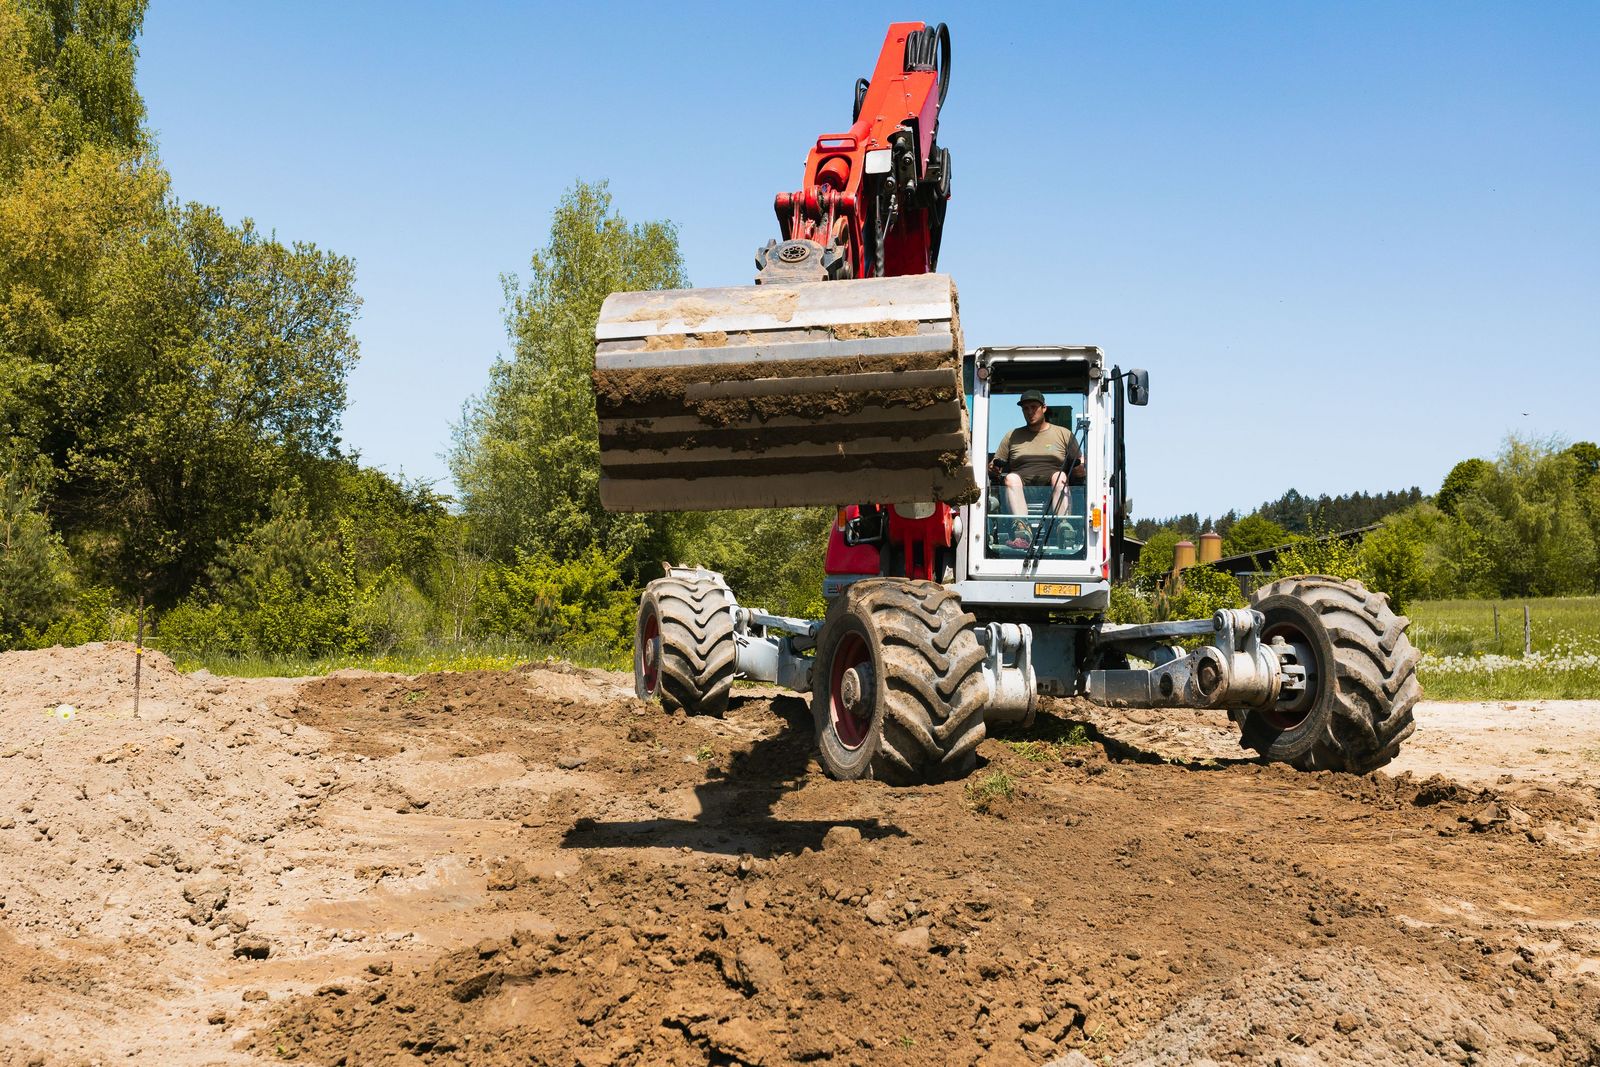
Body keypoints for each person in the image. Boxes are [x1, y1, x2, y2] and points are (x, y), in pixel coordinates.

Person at [987, 389, 1084, 549]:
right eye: (1025, 408)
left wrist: (1080, 468)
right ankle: (1022, 529)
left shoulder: (1063, 434)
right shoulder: (1012, 436)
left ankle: (1064, 526)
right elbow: (993, 465)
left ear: (1044, 408)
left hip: (1053, 488)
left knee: (1059, 476)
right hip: (1022, 489)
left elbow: (1080, 463)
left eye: (1034, 407)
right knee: (1011, 478)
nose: (1030, 412)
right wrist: (993, 468)